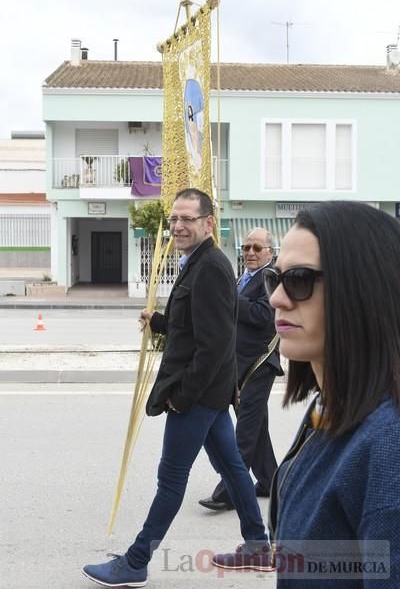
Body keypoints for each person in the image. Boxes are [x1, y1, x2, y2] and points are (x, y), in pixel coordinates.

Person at [82, 189, 273, 588]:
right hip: (211, 393)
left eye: (187, 219)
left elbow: (216, 344)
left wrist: (182, 396)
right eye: (174, 219)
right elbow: (193, 328)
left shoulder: (211, 267)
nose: (178, 226)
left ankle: (136, 561)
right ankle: (258, 545)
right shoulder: (199, 262)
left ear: (208, 222)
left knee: (171, 479)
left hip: (198, 394)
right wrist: (160, 322)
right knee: (234, 468)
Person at [245, 200, 400, 587]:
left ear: (364, 289)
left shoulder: (388, 443)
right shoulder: (331, 403)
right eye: (274, 280)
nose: (277, 297)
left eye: (298, 279)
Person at [199, 227, 282, 512]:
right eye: (246, 248)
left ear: (270, 252)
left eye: (257, 248)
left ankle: (230, 491)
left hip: (258, 365)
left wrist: (229, 299)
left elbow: (263, 315)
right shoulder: (242, 278)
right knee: (256, 428)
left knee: (245, 430)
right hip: (238, 363)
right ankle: (272, 480)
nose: (250, 253)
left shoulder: (270, 278)